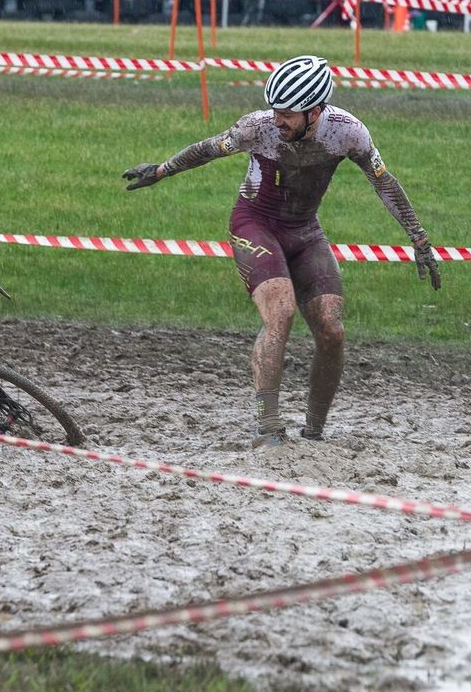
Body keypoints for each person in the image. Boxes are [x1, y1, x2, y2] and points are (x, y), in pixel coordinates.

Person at [122, 56, 440, 450]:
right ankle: (265, 425)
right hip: (255, 223)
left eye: (287, 114)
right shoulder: (256, 128)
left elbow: (384, 183)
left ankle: (315, 430)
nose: (277, 121)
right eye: (275, 110)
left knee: (332, 328)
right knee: (281, 312)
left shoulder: (349, 133)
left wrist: (420, 239)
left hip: (305, 230)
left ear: (315, 110)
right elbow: (207, 149)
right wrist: (160, 171)